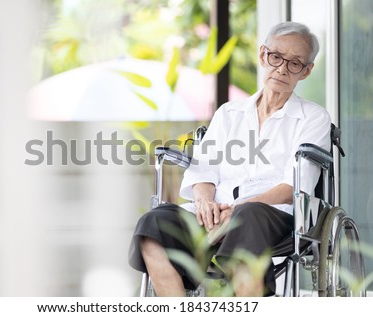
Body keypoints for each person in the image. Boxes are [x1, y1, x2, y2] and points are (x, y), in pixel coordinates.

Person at [128, 21, 331, 297]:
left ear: (306, 71)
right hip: (215, 212)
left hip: (272, 215)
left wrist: (236, 209)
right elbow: (203, 171)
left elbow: (294, 186)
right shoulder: (229, 113)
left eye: (295, 63)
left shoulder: (313, 118)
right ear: (263, 55)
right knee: (153, 225)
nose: (282, 68)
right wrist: (205, 203)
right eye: (276, 57)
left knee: (246, 217)